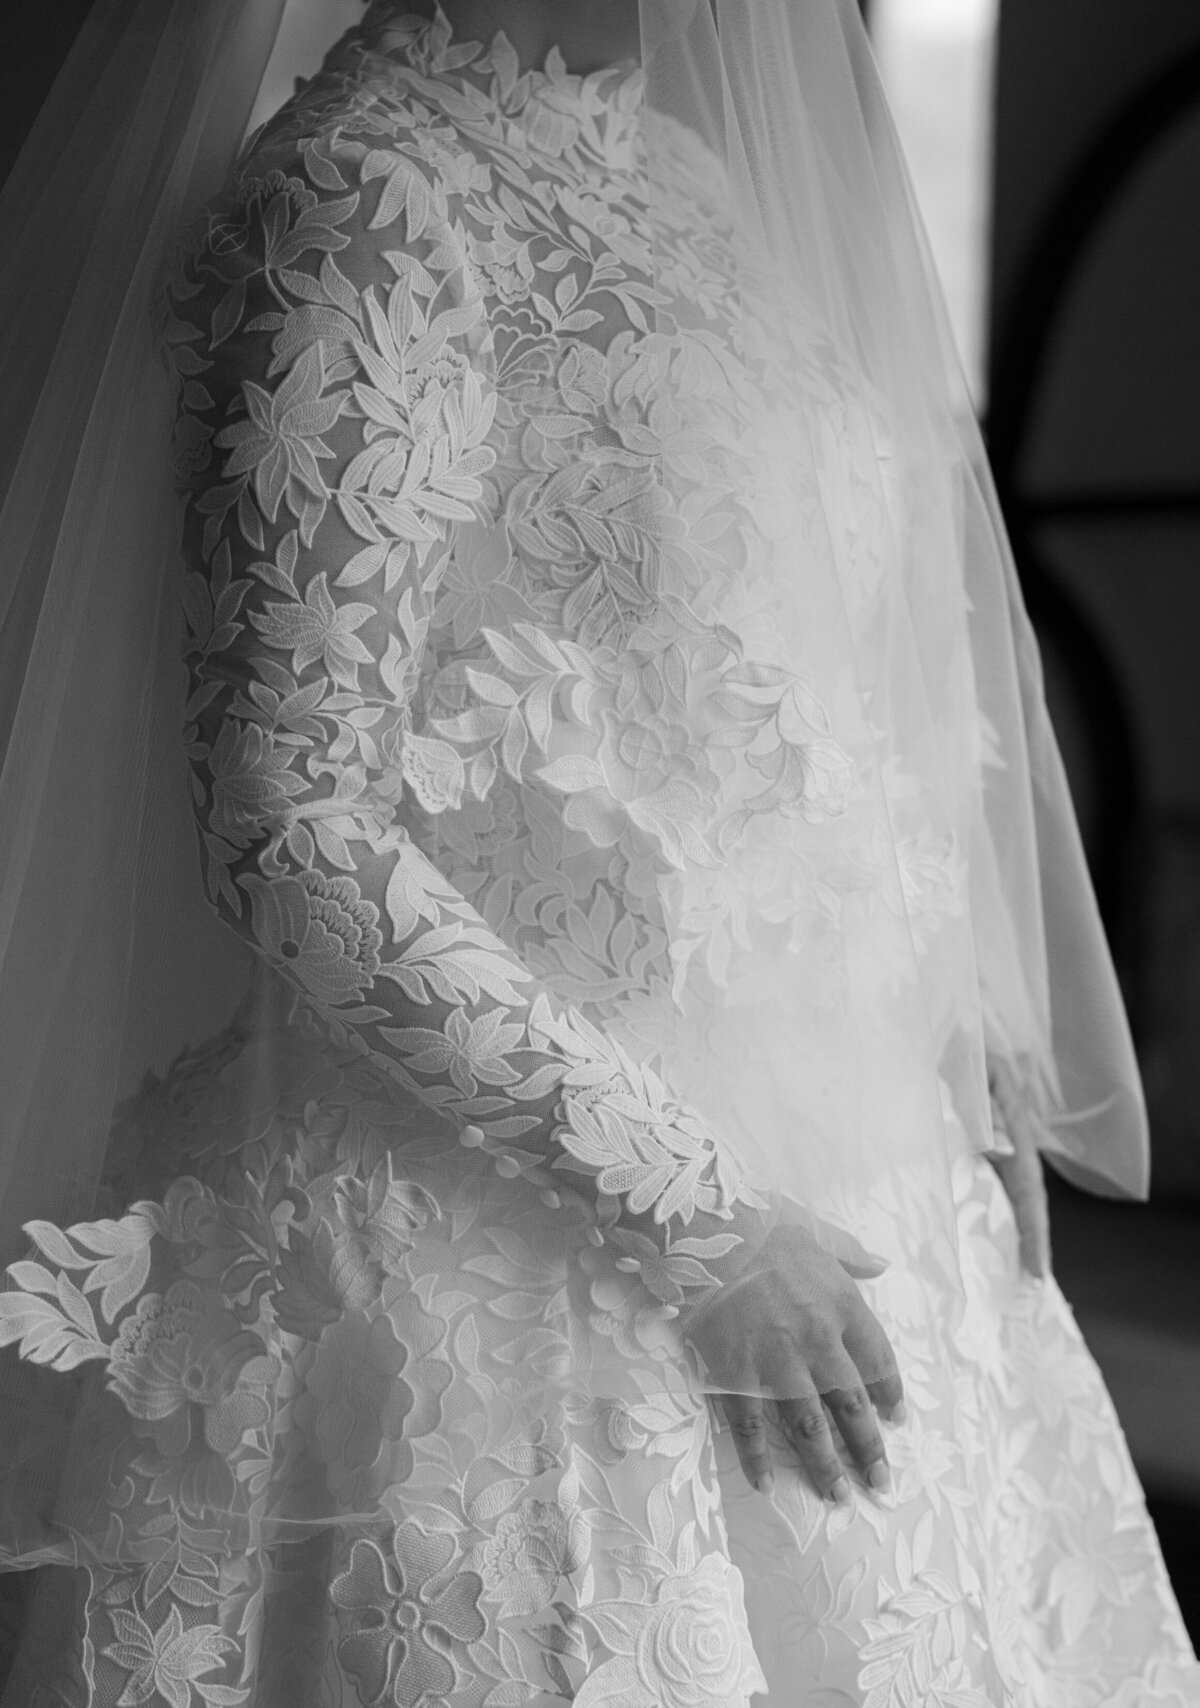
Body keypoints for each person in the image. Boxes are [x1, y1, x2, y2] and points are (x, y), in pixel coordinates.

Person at [0, 0, 1195, 1701]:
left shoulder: (691, 180)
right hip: (520, 1270)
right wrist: (698, 1220)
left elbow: (810, 689)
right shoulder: (365, 203)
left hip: (855, 1192)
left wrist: (948, 1032)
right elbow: (291, 822)